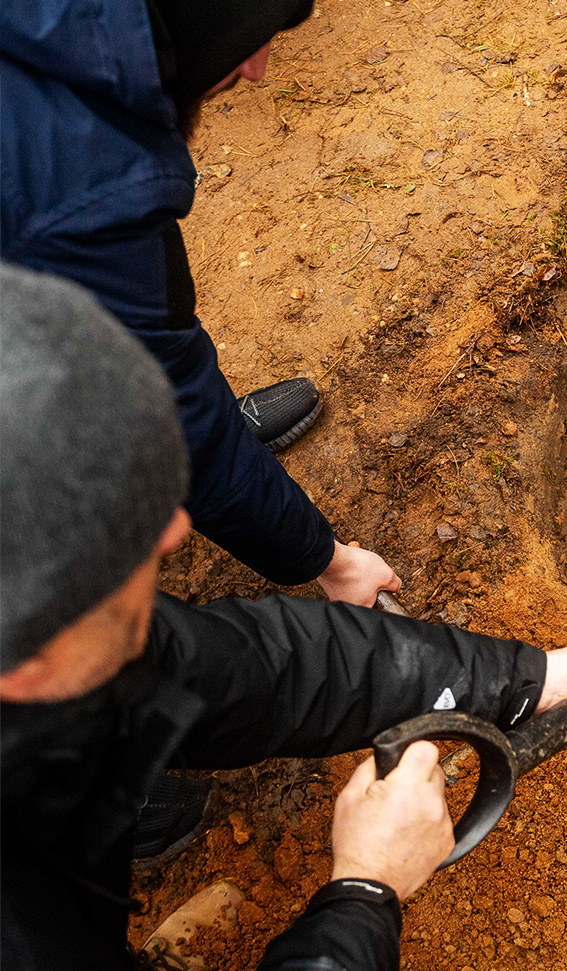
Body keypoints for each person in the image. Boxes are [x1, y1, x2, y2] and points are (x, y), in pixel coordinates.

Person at [0, 264, 567, 971]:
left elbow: (253, 669)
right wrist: (364, 892)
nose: (174, 530)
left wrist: (524, 680)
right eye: (122, 529)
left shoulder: (55, 629)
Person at [0, 0, 399, 607]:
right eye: (248, 37)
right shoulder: (89, 185)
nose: (260, 69)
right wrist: (330, 561)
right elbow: (177, 405)